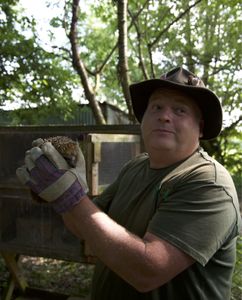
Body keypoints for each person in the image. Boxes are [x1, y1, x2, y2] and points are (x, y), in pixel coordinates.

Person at [16, 66, 241, 300]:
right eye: (157, 107)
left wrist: (71, 198)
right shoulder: (134, 167)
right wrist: (65, 189)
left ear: (200, 128)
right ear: (143, 120)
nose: (165, 115)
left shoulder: (209, 183)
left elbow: (147, 271)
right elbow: (86, 228)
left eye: (180, 110)